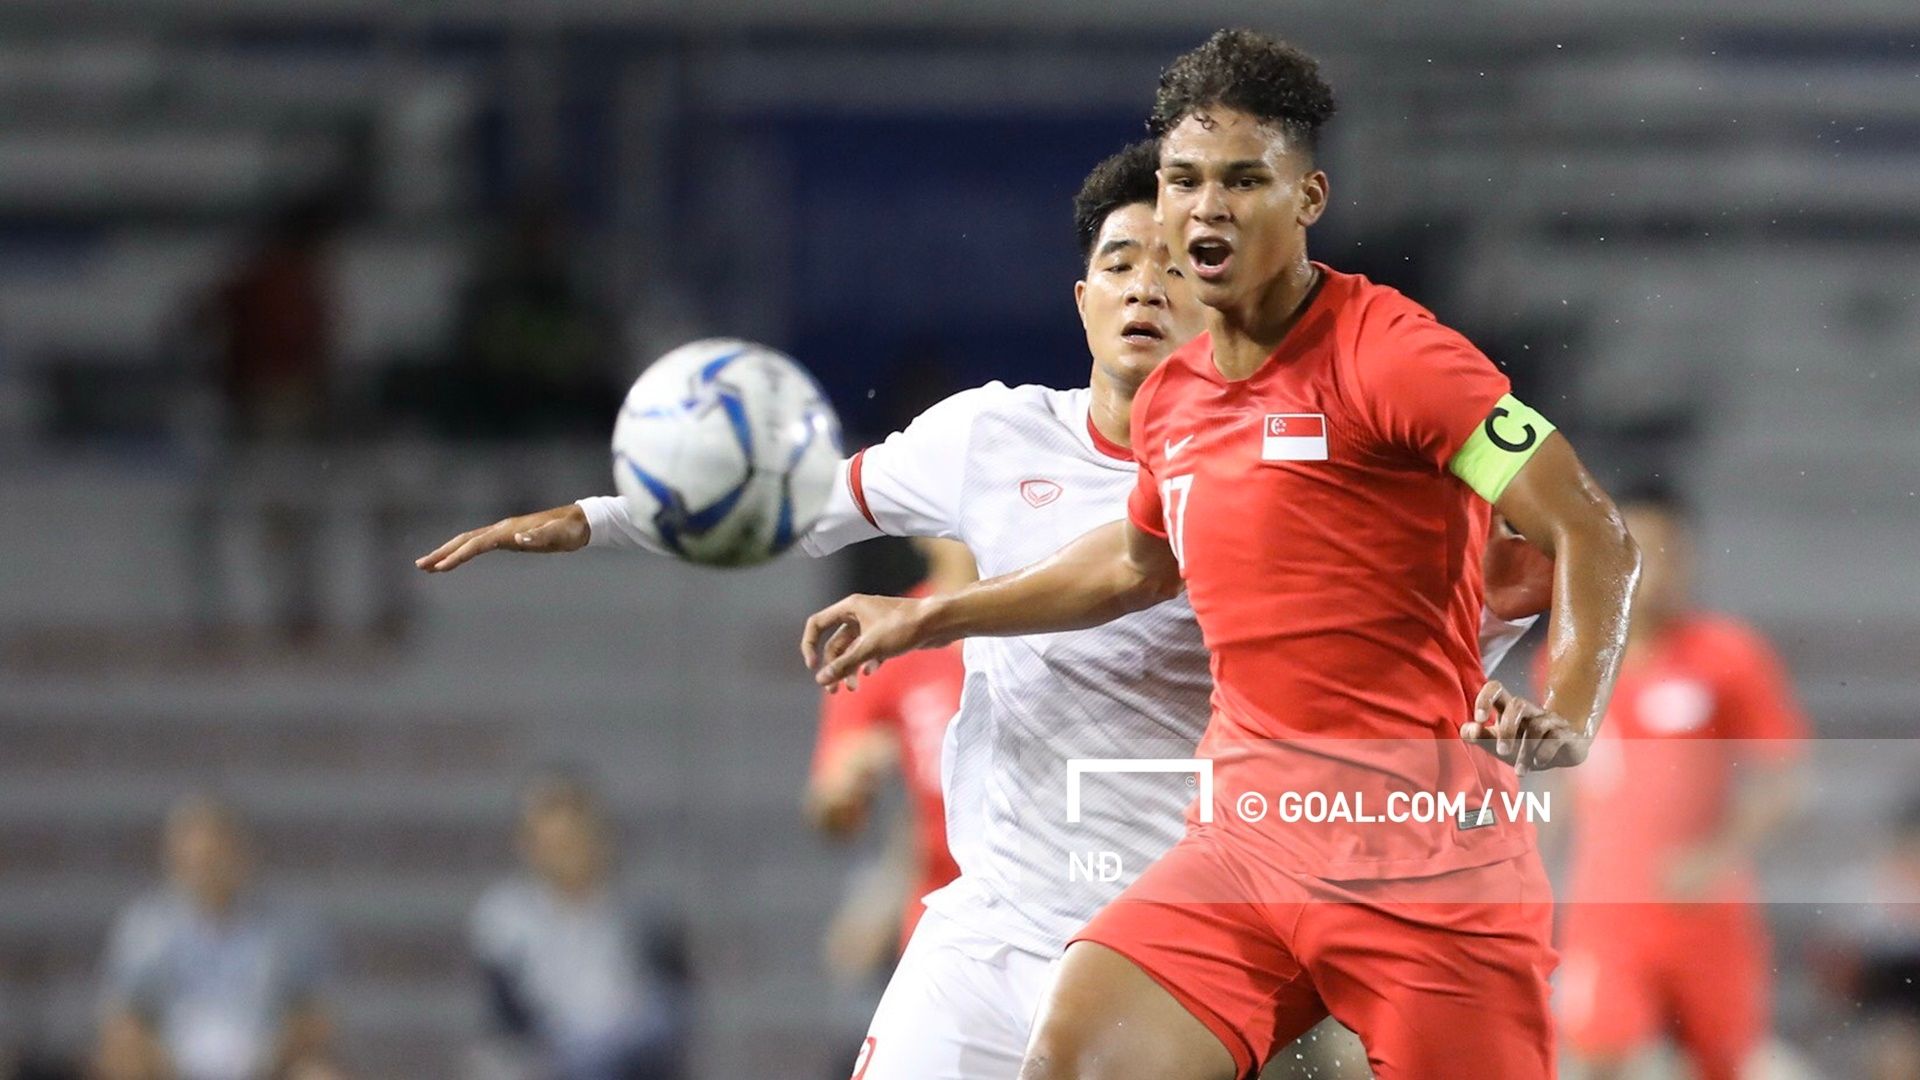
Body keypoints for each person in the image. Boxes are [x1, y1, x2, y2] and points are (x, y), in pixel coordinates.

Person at [420, 141, 1547, 1080]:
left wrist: (1494, 636)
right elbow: (794, 507)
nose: (1145, 287)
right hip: (993, 923)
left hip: (1175, 948)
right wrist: (596, 518)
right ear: (1082, 300)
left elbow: (1416, 625)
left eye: (1172, 266)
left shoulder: (1286, 472)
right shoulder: (989, 437)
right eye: (1119, 263)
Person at [801, 30, 1640, 1080]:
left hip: (1419, 859)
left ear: (1308, 197)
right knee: (1077, 1056)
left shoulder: (1398, 359)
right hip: (1248, 849)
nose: (1208, 207)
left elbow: (1591, 530)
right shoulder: (1180, 400)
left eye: (1245, 180)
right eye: (1185, 180)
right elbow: (1133, 567)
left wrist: (1569, 709)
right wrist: (930, 615)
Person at [1553, 487, 1807, 1080]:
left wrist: (1715, 856)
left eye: (1668, 552)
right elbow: (1563, 780)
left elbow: (1782, 779)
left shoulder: (1728, 656)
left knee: (1720, 1064)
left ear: (1690, 559)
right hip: (1609, 913)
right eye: (1638, 550)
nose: (1654, 570)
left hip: (1703, 910)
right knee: (1600, 1057)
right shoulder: (1571, 658)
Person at [808, 537, 975, 968]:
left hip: (1051, 898)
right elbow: (830, 801)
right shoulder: (891, 639)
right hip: (947, 913)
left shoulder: (1053, 618)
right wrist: (848, 783)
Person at [92, 793, 336, 1080]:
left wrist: (276, 1053)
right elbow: (120, 1017)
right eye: (198, 859)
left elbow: (317, 1014)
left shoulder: (287, 929)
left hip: (264, 1064)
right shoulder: (145, 929)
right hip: (168, 1066)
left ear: (241, 855)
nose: (207, 868)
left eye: (217, 856)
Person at [470, 771, 692, 1080]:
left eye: (573, 841)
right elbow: (506, 1020)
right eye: (553, 844)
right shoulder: (506, 920)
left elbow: (672, 1009)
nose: (565, 856)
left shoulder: (644, 915)